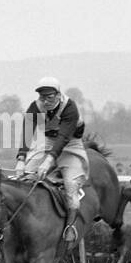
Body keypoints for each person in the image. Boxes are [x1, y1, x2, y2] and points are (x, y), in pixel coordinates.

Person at [15, 77, 88, 243]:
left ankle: (70, 227)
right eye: (42, 97)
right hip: (48, 143)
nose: (46, 101)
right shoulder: (35, 106)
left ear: (58, 94)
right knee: (24, 176)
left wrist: (48, 161)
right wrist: (21, 158)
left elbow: (63, 138)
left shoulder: (70, 107)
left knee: (70, 185)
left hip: (71, 145)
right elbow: (27, 131)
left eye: (50, 97)